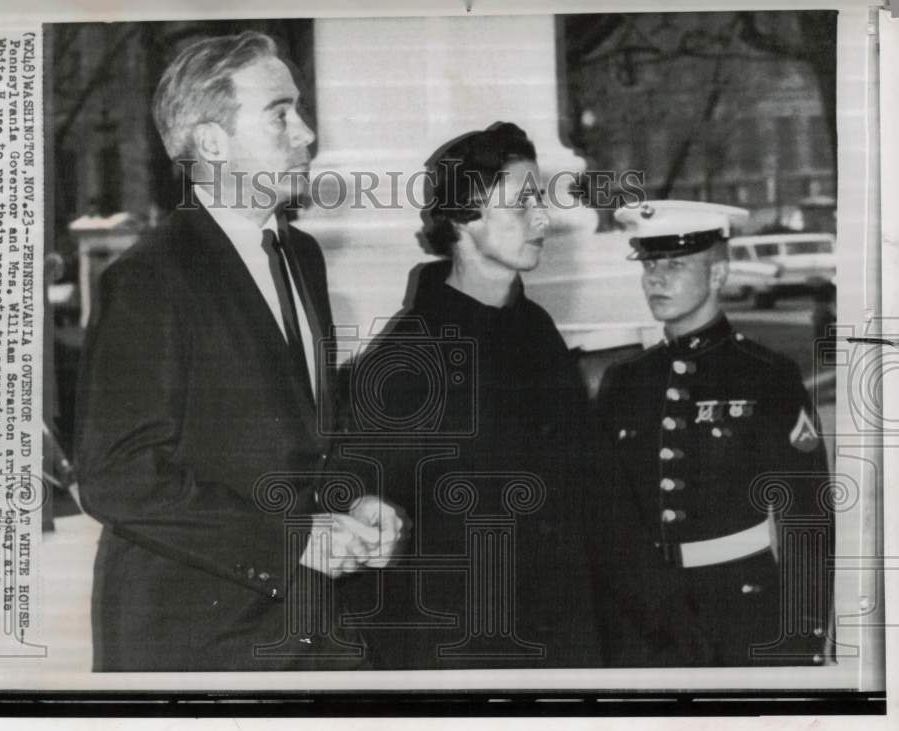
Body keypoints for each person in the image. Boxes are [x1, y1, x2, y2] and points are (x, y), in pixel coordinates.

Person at [74, 32, 403, 671]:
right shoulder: (148, 279)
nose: (306, 133)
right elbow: (117, 476)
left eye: (300, 111)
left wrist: (359, 502)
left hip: (302, 626)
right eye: (280, 114)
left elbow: (304, 436)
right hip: (192, 640)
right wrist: (293, 540)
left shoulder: (299, 255)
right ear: (211, 142)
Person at [338, 123, 602, 669]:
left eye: (542, 201)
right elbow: (368, 533)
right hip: (460, 660)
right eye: (522, 202)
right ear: (464, 215)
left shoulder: (538, 330)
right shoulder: (404, 359)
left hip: (562, 649)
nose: (543, 218)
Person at [596, 200, 833, 667]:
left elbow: (807, 519)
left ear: (719, 275)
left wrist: (803, 637)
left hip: (742, 613)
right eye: (649, 265)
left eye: (675, 265)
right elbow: (606, 516)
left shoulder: (767, 377)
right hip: (646, 621)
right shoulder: (624, 381)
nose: (656, 279)